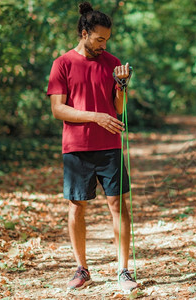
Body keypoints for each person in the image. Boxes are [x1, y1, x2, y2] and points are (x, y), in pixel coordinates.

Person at [47, 2, 137, 292]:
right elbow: (58, 110)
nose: (104, 45)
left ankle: (123, 270)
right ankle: (82, 269)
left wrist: (122, 87)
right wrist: (95, 117)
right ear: (84, 33)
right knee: (77, 207)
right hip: (76, 147)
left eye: (107, 40)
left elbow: (119, 108)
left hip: (110, 145)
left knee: (118, 205)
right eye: (99, 39)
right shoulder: (62, 63)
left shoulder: (112, 63)